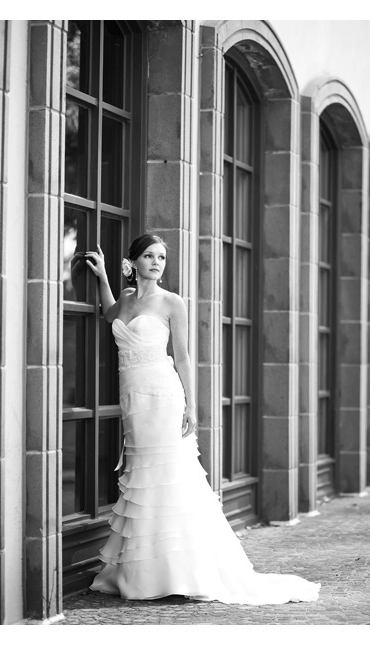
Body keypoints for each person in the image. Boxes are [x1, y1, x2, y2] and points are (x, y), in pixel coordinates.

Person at [84, 233, 320, 605]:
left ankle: (184, 570)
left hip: (163, 397)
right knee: (143, 479)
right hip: (132, 399)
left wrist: (191, 406)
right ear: (133, 262)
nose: (157, 262)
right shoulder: (128, 300)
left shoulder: (172, 303)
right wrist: (103, 280)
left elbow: (183, 357)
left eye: (162, 257)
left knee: (170, 475)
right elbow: (110, 314)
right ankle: (145, 570)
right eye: (149, 256)